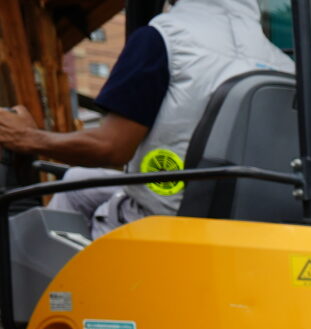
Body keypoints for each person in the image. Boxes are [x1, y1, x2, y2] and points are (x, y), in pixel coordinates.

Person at [0, 0, 289, 236]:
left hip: (166, 221)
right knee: (76, 181)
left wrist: (29, 137)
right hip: (247, 221)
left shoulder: (164, 38)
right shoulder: (287, 67)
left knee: (36, 248)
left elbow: (111, 148)